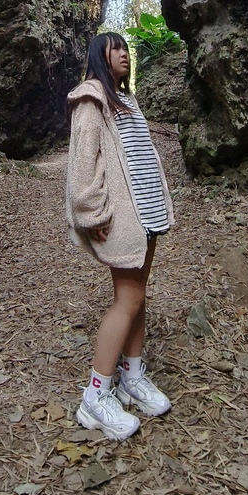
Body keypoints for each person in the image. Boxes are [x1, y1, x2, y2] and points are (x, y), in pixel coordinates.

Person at [65, 31, 174, 440]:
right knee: (126, 299)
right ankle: (95, 397)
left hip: (147, 214)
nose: (124, 53)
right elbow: (81, 167)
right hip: (123, 218)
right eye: (115, 48)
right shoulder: (91, 98)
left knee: (138, 297)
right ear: (99, 55)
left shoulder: (127, 99)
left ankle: (131, 375)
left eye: (126, 47)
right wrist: (91, 212)